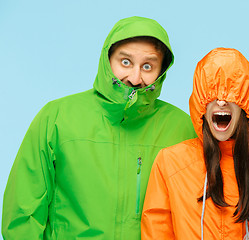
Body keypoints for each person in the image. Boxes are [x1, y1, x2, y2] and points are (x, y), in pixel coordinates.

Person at [2, 16, 196, 239]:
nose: (134, 77)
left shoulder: (183, 129)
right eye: (125, 62)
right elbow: (23, 213)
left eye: (147, 66)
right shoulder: (56, 117)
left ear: (161, 70)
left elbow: (199, 215)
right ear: (107, 60)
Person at [141, 48, 249, 239]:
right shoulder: (171, 162)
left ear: (245, 101)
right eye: (212, 93)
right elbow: (156, 231)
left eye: (231, 92)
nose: (221, 102)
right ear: (201, 103)